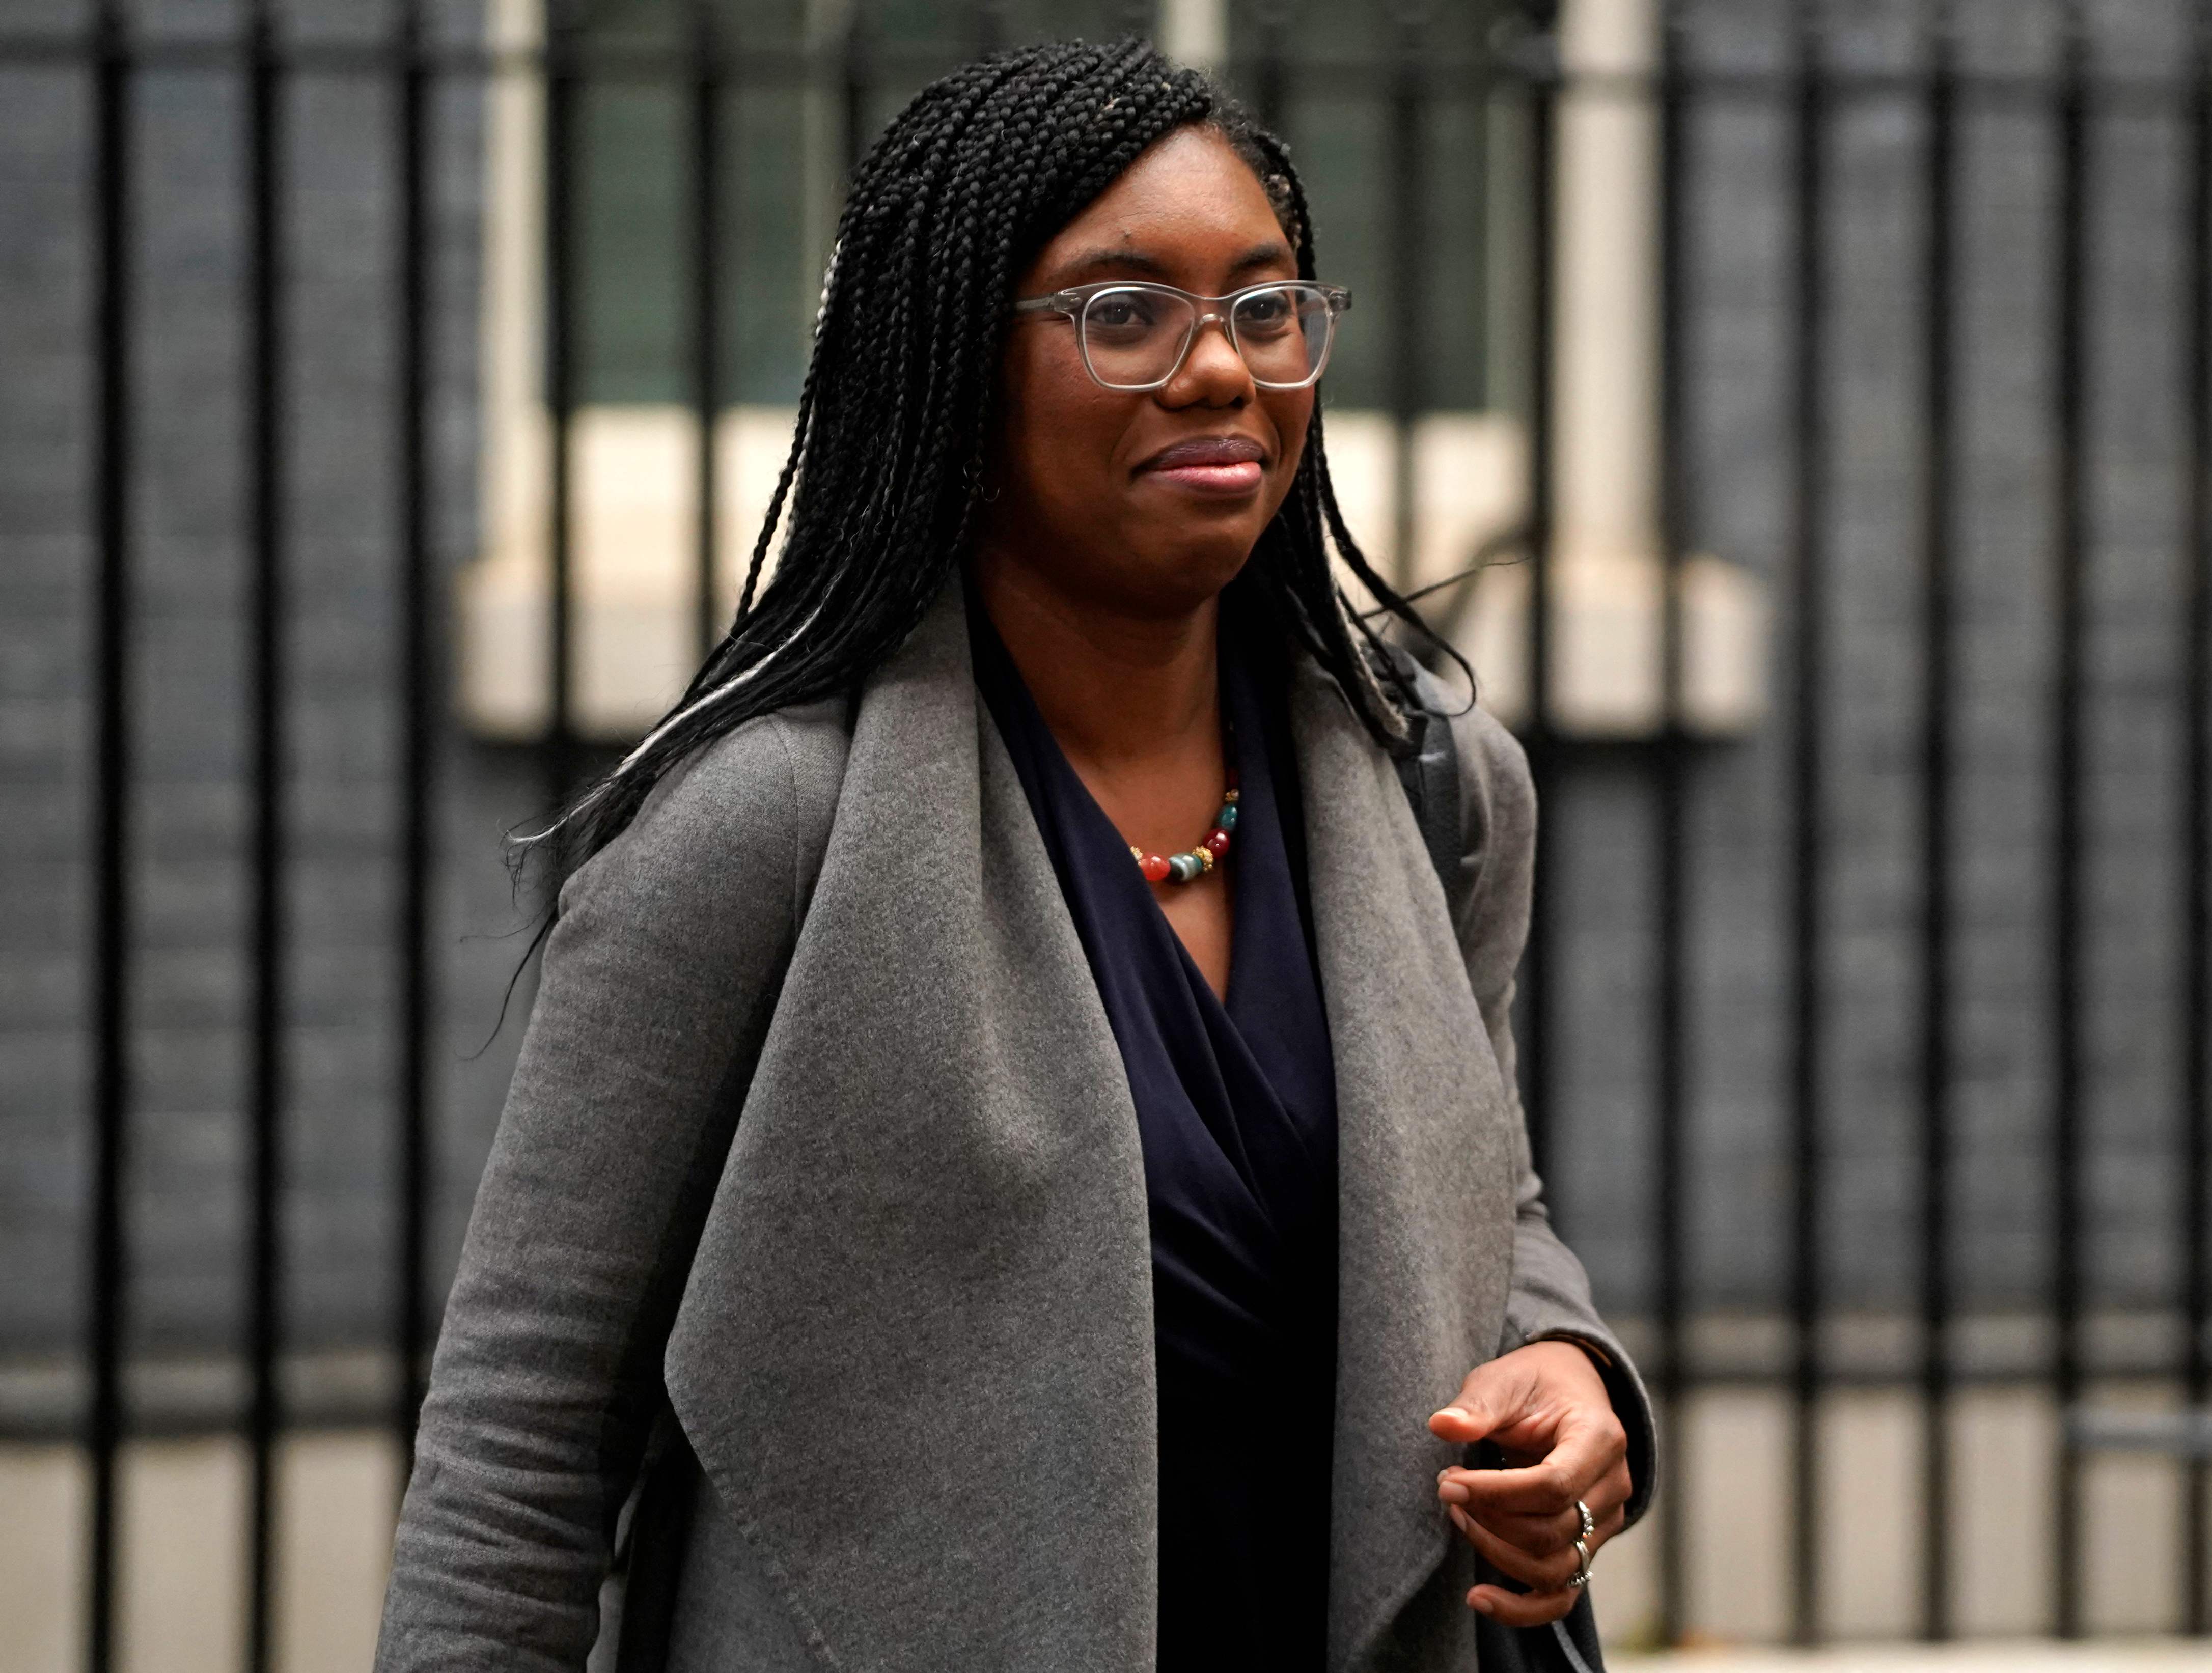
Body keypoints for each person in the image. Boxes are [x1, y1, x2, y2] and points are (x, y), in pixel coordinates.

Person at [375, 37, 1654, 1673]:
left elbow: (1490, 1204)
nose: (1218, 369)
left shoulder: (1431, 790)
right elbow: (526, 1431)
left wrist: (1562, 1367)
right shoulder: (768, 826)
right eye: (1123, 315)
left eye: (1265, 307)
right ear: (948, 371)